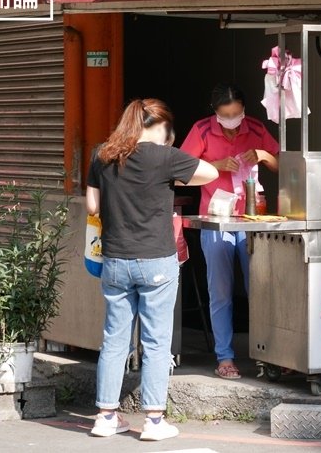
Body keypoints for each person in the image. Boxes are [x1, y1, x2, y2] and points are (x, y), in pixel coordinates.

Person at [86, 99, 218, 440]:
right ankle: (154, 421)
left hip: (115, 259)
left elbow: (92, 205)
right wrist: (173, 172)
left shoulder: (103, 154)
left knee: (114, 341)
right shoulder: (165, 157)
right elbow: (211, 172)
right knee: (157, 342)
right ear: (160, 126)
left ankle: (105, 416)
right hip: (156, 261)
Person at [181, 83, 279, 380]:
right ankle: (225, 357)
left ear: (244, 110)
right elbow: (181, 173)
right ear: (216, 112)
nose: (233, 120)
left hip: (251, 219)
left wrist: (262, 154)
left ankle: (269, 355)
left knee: (259, 289)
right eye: (226, 115)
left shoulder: (256, 127)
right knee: (220, 291)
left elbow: (281, 163)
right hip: (217, 220)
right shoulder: (201, 130)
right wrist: (214, 165)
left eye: (237, 113)